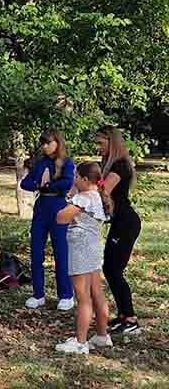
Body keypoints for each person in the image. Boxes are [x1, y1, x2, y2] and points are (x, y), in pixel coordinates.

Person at [55, 162, 113, 354]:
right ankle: (102, 335)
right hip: (93, 251)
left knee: (83, 298)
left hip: (81, 252)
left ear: (85, 180)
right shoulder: (97, 196)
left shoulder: (82, 198)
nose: (73, 179)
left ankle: (80, 342)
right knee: (97, 293)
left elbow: (61, 218)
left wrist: (70, 196)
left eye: (76, 177)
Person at [21, 129, 75, 310]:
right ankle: (38, 294)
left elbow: (67, 183)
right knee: (36, 251)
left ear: (57, 143)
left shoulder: (66, 162)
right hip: (41, 208)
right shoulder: (40, 163)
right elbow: (25, 183)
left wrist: (48, 184)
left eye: (48, 142)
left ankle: (66, 295)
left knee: (61, 252)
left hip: (58, 208)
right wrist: (39, 185)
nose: (44, 146)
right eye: (42, 143)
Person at [96, 126, 142, 334]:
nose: (97, 147)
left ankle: (131, 319)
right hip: (118, 222)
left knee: (114, 270)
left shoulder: (120, 165)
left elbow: (103, 190)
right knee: (110, 269)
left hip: (126, 223)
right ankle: (123, 315)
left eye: (100, 143)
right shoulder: (109, 163)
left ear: (111, 142)